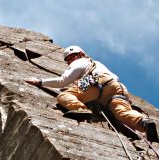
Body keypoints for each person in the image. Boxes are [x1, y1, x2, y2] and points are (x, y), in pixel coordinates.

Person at [25, 45, 158, 142]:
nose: (70, 61)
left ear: (79, 54)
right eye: (68, 60)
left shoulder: (80, 62)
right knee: (121, 112)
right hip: (117, 88)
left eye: (71, 58)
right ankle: (144, 123)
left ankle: (80, 109)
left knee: (64, 95)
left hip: (96, 84)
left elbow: (62, 81)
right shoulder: (98, 64)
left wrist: (40, 82)